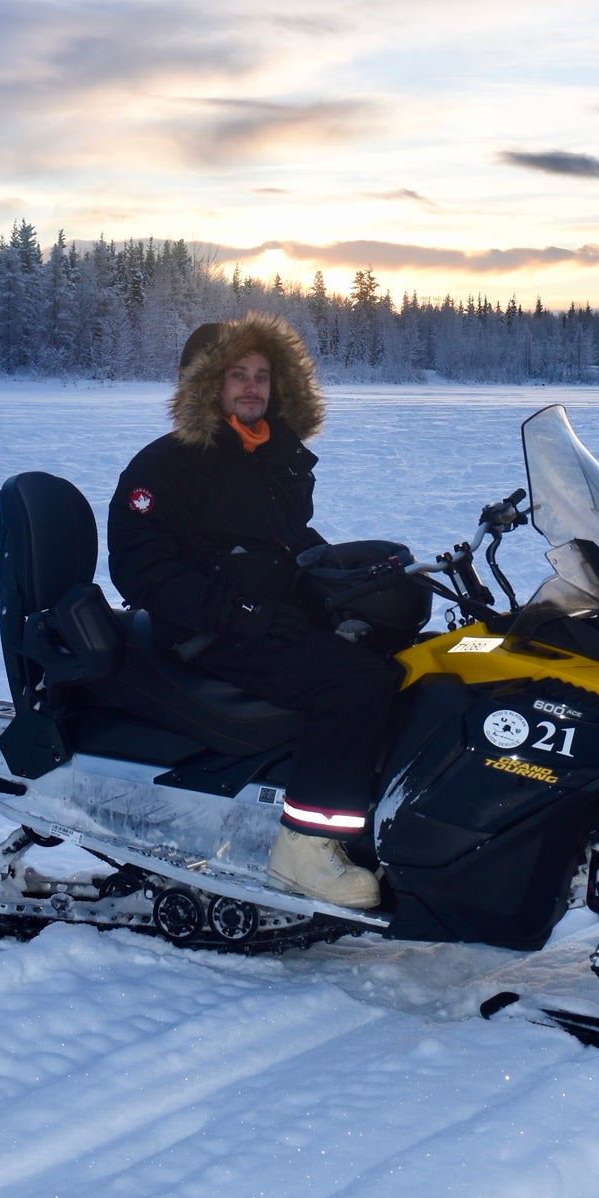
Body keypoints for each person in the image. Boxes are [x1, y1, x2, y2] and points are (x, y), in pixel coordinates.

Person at [107, 313, 400, 910]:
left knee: (392, 650)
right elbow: (139, 567)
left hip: (269, 615)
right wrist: (238, 612)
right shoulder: (167, 464)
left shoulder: (270, 455)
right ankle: (304, 848)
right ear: (206, 384)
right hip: (206, 632)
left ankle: (369, 817)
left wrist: (350, 582)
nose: (251, 388)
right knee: (355, 685)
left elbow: (280, 545)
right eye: (237, 374)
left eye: (262, 376)